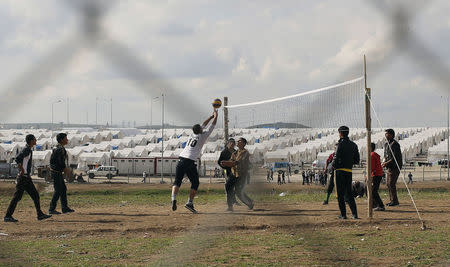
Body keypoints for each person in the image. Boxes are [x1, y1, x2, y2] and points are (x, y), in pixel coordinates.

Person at [171, 108, 218, 213]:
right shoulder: (203, 136)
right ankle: (189, 202)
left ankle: (173, 199)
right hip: (190, 161)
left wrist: (210, 116)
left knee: (177, 181)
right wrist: (215, 116)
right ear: (200, 130)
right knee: (195, 182)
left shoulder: (192, 134)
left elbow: (203, 124)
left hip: (181, 158)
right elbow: (212, 125)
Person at [4, 135, 51, 222]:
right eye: (34, 139)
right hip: (23, 178)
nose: (36, 140)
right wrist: (21, 169)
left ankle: (39, 214)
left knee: (35, 195)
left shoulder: (28, 149)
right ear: (31, 141)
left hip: (26, 178)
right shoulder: (27, 150)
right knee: (17, 197)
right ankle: (7, 216)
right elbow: (17, 159)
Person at [332, 126, 360, 219]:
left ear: (340, 133)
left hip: (339, 171)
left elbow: (335, 158)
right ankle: (355, 214)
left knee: (340, 194)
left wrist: (333, 166)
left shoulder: (339, 144)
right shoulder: (354, 145)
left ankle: (343, 214)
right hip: (349, 171)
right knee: (349, 193)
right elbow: (357, 160)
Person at [221, 138, 254, 211]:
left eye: (240, 141)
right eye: (238, 141)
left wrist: (226, 163)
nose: (238, 142)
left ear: (244, 143)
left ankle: (249, 203)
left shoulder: (245, 153)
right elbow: (231, 162)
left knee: (238, 192)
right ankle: (230, 206)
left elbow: (237, 162)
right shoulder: (235, 153)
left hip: (241, 175)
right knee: (228, 187)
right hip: (234, 173)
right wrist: (225, 163)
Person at [49, 133, 75, 214]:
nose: (67, 140)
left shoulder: (58, 148)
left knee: (63, 189)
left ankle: (64, 207)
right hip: (56, 172)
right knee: (58, 190)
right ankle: (51, 209)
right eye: (65, 138)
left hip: (57, 171)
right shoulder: (59, 149)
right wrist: (65, 169)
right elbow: (60, 161)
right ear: (61, 140)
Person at [382, 129, 402, 207]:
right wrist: (384, 162)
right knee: (388, 184)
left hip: (395, 167)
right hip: (389, 167)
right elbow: (386, 155)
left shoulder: (395, 144)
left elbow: (395, 158)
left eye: (387, 134)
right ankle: (392, 200)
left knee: (391, 183)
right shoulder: (386, 144)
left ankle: (395, 201)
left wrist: (386, 163)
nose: (385, 135)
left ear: (391, 135)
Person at [218, 138, 239, 208]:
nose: (232, 144)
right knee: (228, 186)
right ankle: (230, 203)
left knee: (234, 187)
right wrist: (224, 166)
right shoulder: (224, 152)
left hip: (235, 171)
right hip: (227, 171)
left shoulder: (236, 152)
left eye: (233, 143)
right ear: (228, 144)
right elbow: (219, 161)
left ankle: (234, 200)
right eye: (230, 143)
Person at [369, 143, 385, 211]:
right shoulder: (375, 154)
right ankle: (374, 205)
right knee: (373, 190)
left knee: (373, 191)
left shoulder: (372, 155)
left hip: (376, 174)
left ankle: (380, 205)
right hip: (378, 174)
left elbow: (371, 167)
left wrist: (369, 176)